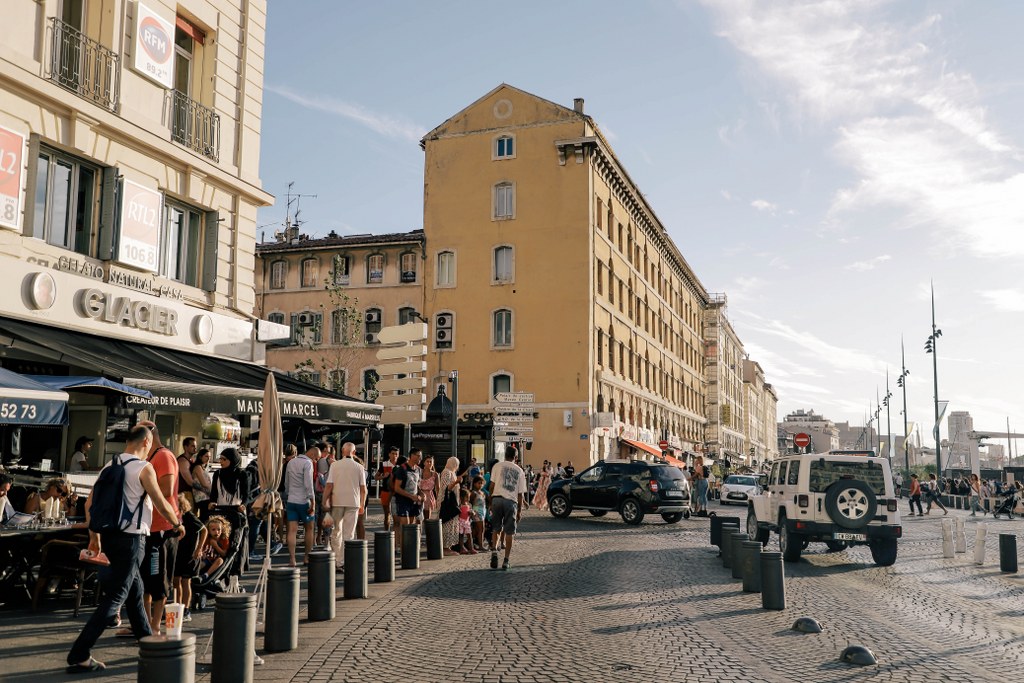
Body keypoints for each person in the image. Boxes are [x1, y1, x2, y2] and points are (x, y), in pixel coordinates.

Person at [66, 424, 184, 674]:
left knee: (134, 590)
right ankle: (79, 653)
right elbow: (161, 502)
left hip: (109, 535)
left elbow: (90, 503)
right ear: (146, 442)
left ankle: (147, 643)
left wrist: (94, 536)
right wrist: (177, 523)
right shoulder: (144, 467)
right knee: (117, 596)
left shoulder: (111, 466)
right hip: (132, 539)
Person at [136, 421, 179, 635]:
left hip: (161, 528)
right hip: (148, 527)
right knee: (145, 579)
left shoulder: (163, 456)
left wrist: (141, 489)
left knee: (158, 579)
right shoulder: (147, 458)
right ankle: (144, 624)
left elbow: (168, 488)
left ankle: (154, 625)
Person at [322, 442, 366, 573]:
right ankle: (346, 561)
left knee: (337, 532)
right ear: (354, 453)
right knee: (349, 533)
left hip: (337, 501)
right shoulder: (359, 467)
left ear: (342, 451)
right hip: (353, 502)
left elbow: (329, 485)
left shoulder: (335, 465)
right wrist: (362, 504)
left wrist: (324, 501)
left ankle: (337, 561)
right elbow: (363, 489)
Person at [207, 448, 250, 571]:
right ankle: (219, 569)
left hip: (237, 511)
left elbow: (246, 495)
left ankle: (235, 569)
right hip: (221, 511)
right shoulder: (218, 474)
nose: (221, 461)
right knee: (221, 539)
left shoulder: (242, 474)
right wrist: (212, 502)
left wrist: (244, 505)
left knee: (236, 541)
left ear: (232, 460)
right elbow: (214, 492)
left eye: (224, 459)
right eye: (220, 458)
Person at [487, 446, 528, 571]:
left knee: (496, 528)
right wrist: (520, 511)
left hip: (497, 500)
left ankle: (494, 551)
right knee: (509, 532)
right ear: (516, 457)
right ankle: (506, 560)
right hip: (511, 501)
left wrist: (490, 502)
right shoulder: (519, 471)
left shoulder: (497, 466)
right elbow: (520, 494)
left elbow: (491, 486)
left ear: (505, 455)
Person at [172, 494, 206, 622]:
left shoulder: (188, 516)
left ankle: (186, 609)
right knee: (176, 581)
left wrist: (199, 549)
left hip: (190, 553)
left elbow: (204, 530)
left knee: (186, 581)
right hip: (178, 553)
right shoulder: (173, 517)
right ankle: (177, 606)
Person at [284, 444, 317, 566]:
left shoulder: (291, 462)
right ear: (312, 454)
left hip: (291, 500)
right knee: (309, 528)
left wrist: (288, 494)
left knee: (292, 530)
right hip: (304, 501)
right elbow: (309, 484)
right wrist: (313, 502)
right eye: (316, 458)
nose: (316, 461)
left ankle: (292, 559)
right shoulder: (307, 463)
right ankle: (307, 557)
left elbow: (286, 482)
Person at [391, 450, 423, 537]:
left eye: (420, 456)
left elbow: (417, 485)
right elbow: (397, 488)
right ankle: (402, 549)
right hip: (402, 500)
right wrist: (411, 496)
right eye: (418, 455)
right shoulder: (402, 469)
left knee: (411, 526)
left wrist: (421, 495)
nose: (420, 458)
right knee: (405, 526)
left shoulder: (418, 470)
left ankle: (409, 548)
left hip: (414, 502)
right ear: (412, 456)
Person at [439, 457, 461, 556]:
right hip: (446, 503)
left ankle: (449, 546)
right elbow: (445, 488)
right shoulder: (446, 472)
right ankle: (445, 548)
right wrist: (456, 482)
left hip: (452, 503)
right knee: (447, 524)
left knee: (451, 524)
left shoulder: (452, 473)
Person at [198, 515, 231, 579]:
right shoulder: (206, 538)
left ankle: (206, 575)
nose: (217, 532)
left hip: (216, 560)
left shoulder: (224, 539)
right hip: (206, 559)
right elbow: (201, 547)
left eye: (219, 529)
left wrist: (215, 546)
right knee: (200, 563)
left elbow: (224, 554)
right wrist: (202, 552)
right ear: (209, 531)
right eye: (213, 530)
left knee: (220, 560)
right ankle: (194, 574)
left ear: (222, 530)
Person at [375, 447, 399, 531]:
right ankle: (386, 533)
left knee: (397, 516)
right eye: (392, 453)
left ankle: (396, 536)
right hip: (386, 491)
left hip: (397, 493)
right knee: (387, 514)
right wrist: (383, 476)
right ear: (389, 454)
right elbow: (376, 477)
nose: (394, 456)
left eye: (396, 454)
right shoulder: (384, 464)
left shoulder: (401, 465)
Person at [190, 449, 213, 521]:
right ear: (200, 457)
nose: (208, 459)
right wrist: (214, 491)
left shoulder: (203, 467)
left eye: (209, 457)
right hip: (201, 497)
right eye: (206, 456)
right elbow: (204, 483)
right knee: (205, 517)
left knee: (206, 516)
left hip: (205, 496)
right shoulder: (198, 467)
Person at [176, 438, 198, 508]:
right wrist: (205, 489)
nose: (195, 448)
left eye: (195, 446)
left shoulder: (192, 460)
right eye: (193, 446)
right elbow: (190, 482)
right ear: (185, 447)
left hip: (192, 494)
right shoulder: (183, 461)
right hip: (184, 494)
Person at [418, 454, 439, 520]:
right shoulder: (419, 472)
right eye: (427, 461)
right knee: (418, 517)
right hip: (419, 495)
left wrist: (438, 500)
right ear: (424, 462)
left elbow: (437, 489)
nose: (429, 463)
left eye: (431, 462)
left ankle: (426, 530)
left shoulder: (435, 474)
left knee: (427, 518)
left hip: (429, 496)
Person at [470, 476, 487, 551]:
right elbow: (470, 503)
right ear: (474, 484)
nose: (480, 485)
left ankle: (469, 544)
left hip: (482, 512)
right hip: (476, 512)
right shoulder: (473, 493)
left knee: (476, 530)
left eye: (481, 483)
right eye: (478, 483)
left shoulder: (482, 492)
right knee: (481, 529)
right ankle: (481, 545)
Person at [456, 488, 475, 554]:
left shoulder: (469, 505)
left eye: (468, 497)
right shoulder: (459, 505)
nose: (468, 498)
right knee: (461, 535)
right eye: (466, 497)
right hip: (460, 522)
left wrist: (472, 513)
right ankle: (461, 548)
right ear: (461, 497)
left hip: (467, 522)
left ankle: (471, 548)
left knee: (469, 535)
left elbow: (472, 512)